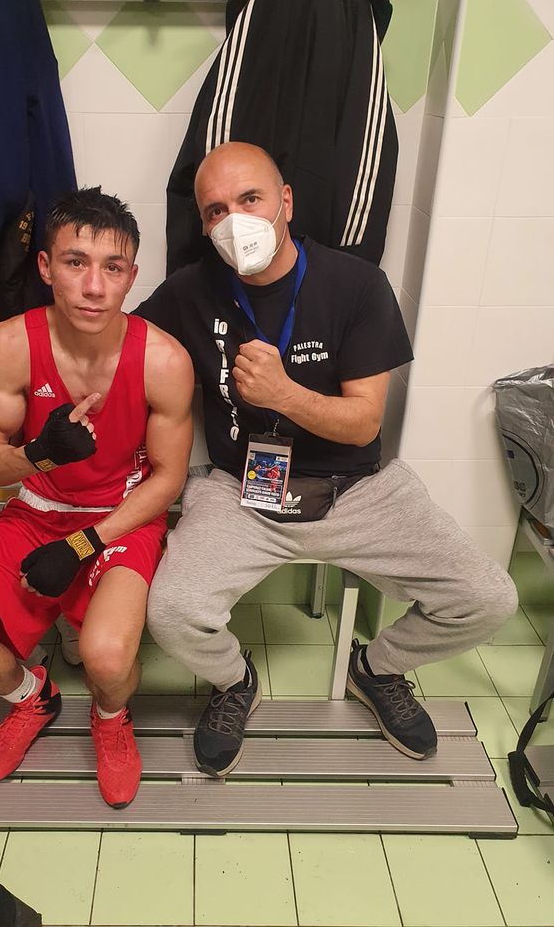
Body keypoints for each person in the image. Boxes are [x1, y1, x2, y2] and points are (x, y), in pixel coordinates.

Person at [136, 141, 518, 777]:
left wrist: (283, 393)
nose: (234, 221)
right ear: (202, 224)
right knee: (173, 614)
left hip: (357, 488)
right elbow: (124, 349)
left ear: (285, 202)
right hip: (240, 489)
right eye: (215, 211)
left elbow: (365, 421)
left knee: (487, 598)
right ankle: (234, 681)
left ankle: (378, 669)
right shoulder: (188, 291)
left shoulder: (357, 284)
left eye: (250, 199)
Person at [0, 187, 194, 807]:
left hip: (120, 519)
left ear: (131, 278)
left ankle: (110, 718)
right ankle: (33, 696)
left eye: (112, 268)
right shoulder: (11, 344)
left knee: (107, 658)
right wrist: (39, 454)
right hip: (37, 511)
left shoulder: (164, 360)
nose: (93, 287)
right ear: (45, 267)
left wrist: (83, 543)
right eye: (75, 262)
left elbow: (168, 478)